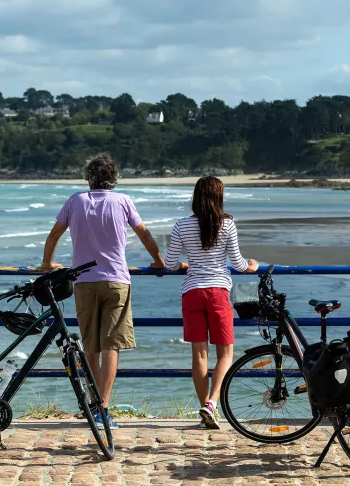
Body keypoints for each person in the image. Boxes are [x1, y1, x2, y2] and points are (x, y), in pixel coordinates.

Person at [40, 152, 165, 429]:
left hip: (83, 282)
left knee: (90, 346)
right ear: (114, 180)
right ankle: (103, 409)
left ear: (88, 178)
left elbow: (54, 234)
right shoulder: (123, 201)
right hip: (116, 281)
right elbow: (143, 233)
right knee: (112, 346)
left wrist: (47, 262)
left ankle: (92, 405)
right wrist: (158, 261)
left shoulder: (75, 201)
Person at [163, 176, 258, 429]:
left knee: (199, 355)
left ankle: (204, 404)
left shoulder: (181, 225)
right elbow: (237, 264)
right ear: (219, 197)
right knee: (226, 353)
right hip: (218, 293)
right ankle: (212, 404)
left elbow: (170, 264)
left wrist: (186, 264)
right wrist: (251, 266)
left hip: (192, 292)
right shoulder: (227, 224)